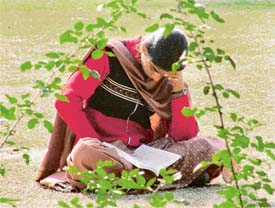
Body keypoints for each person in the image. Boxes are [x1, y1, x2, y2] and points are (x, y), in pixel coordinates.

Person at [36, 27, 227, 191]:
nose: (156, 79)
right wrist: (94, 140)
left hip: (142, 152)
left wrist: (178, 93)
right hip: (102, 149)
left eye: (165, 74)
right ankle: (160, 180)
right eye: (154, 69)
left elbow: (184, 136)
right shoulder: (109, 55)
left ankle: (135, 180)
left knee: (211, 146)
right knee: (86, 154)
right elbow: (67, 100)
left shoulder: (170, 80)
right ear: (143, 49)